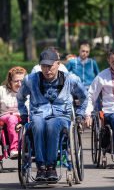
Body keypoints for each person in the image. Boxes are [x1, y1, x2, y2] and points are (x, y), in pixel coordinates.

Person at [17, 49, 88, 182]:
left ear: (58, 64)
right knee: (37, 124)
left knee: (52, 125)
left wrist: (80, 114)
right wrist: (23, 116)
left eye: (50, 66)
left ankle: (51, 166)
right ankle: (41, 167)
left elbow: (84, 97)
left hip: (61, 116)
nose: (47, 70)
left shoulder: (70, 79)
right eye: (44, 66)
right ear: (40, 66)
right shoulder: (30, 80)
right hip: (38, 114)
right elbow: (20, 98)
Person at [0, 66, 27, 159]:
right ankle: (14, 149)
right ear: (10, 81)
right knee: (12, 118)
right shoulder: (2, 91)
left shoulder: (29, 91)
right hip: (6, 116)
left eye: (22, 81)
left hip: (24, 116)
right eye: (16, 81)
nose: (19, 84)